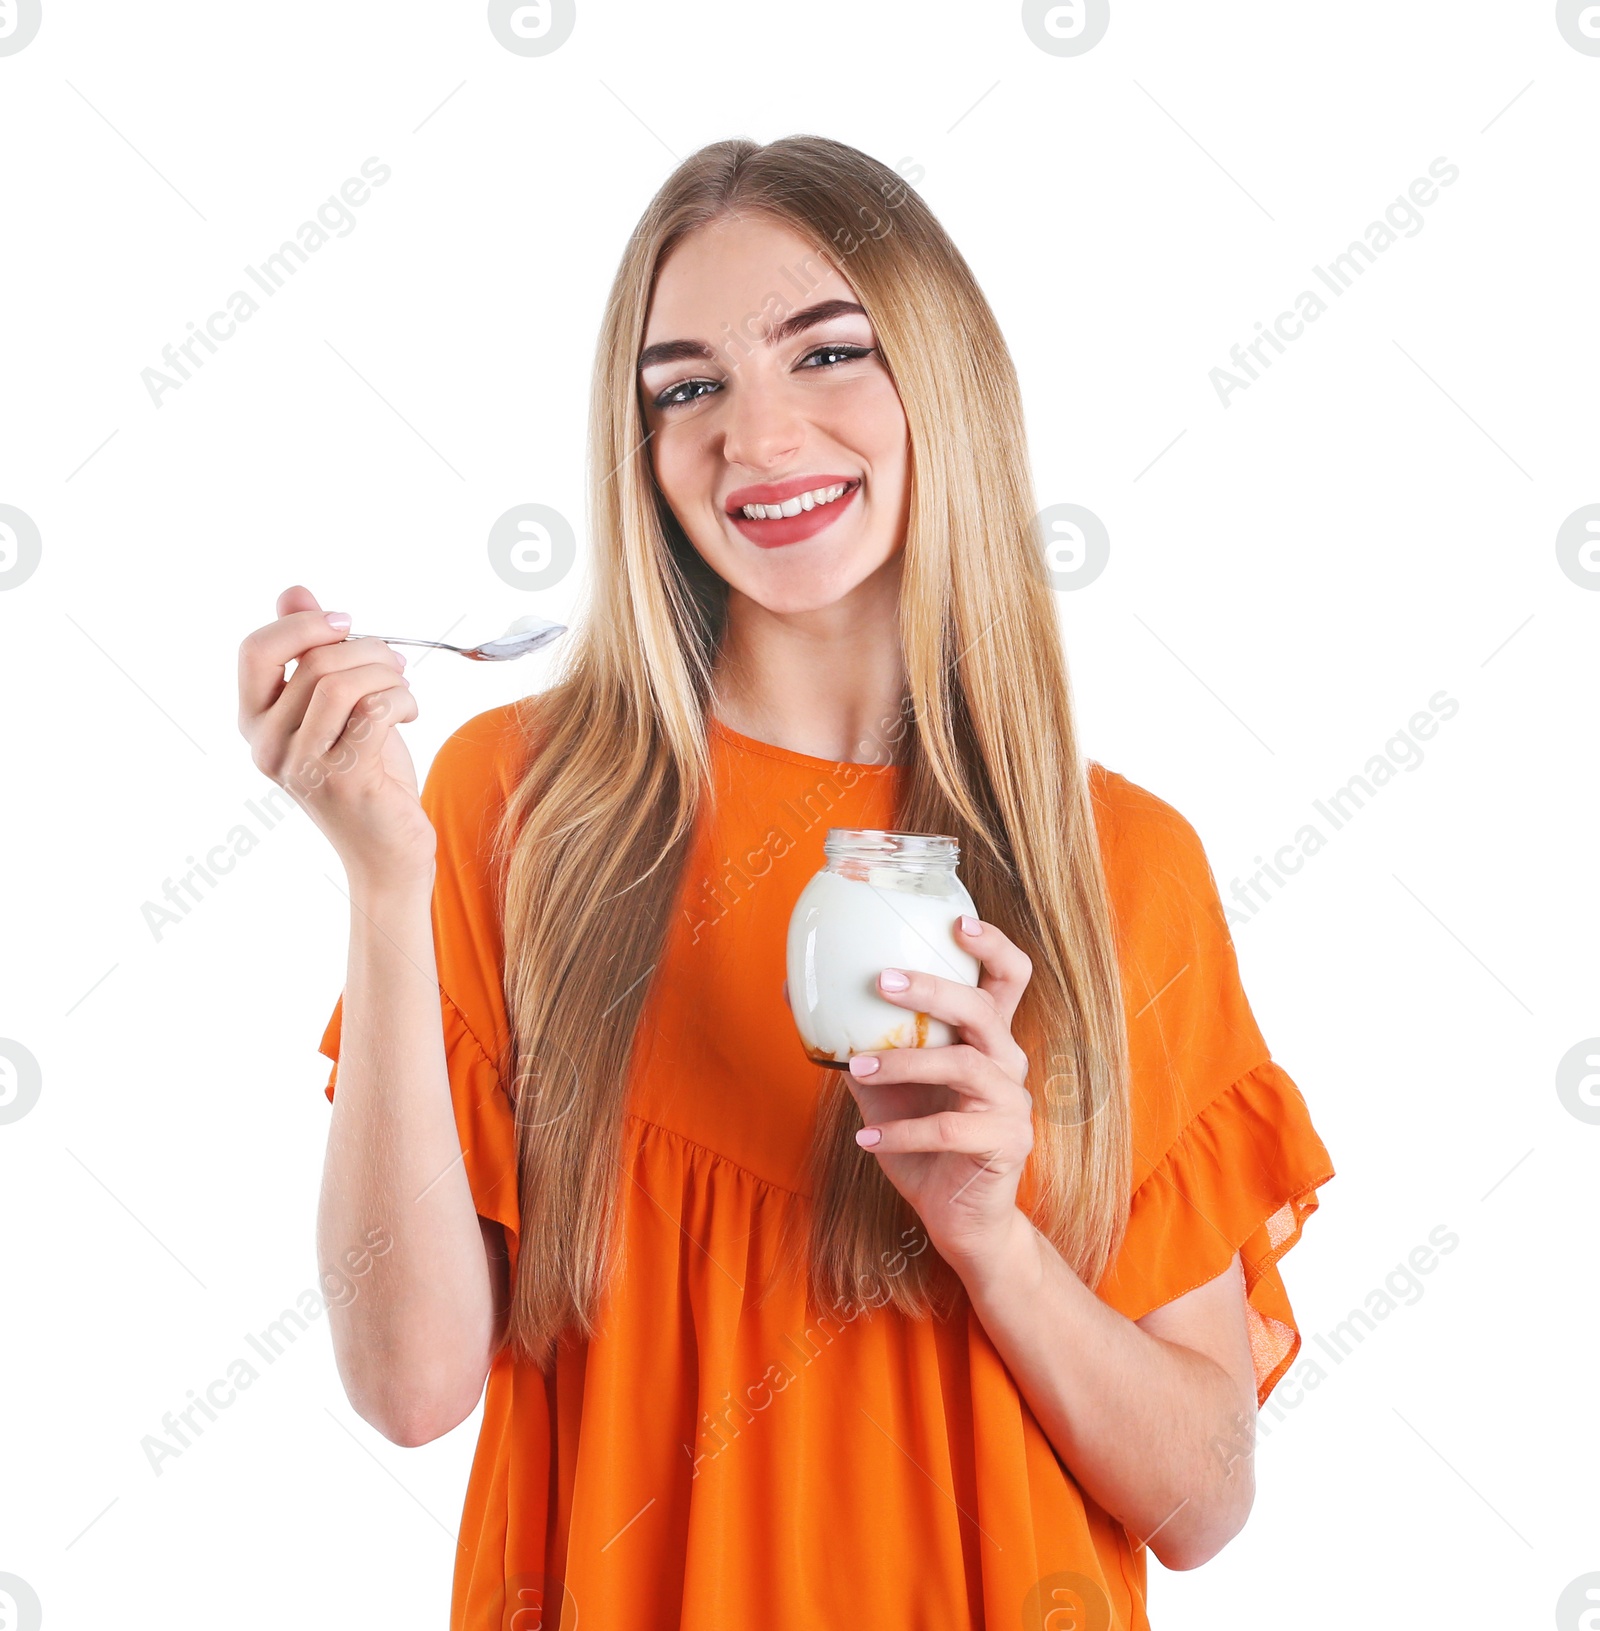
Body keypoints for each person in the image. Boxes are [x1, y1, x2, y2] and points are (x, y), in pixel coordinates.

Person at [238, 134, 1335, 1631]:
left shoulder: (1119, 869)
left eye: (826, 353)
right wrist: (380, 877)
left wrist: (991, 1237)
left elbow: (1204, 1498)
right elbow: (412, 1385)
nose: (755, 439)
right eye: (686, 387)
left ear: (941, 377)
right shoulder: (517, 806)